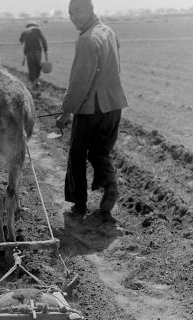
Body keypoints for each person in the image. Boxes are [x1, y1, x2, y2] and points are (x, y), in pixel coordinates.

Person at [56, 0, 128, 221]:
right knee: (99, 151)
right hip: (114, 105)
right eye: (69, 13)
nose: (72, 17)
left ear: (89, 10)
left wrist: (66, 111)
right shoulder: (108, 32)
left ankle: (79, 204)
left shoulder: (87, 40)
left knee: (77, 154)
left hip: (91, 108)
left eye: (76, 11)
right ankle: (111, 186)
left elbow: (80, 81)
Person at [19, 22, 48, 89]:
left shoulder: (25, 31)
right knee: (37, 65)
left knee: (31, 67)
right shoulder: (37, 30)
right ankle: (36, 81)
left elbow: (21, 41)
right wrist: (45, 50)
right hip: (37, 51)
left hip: (29, 52)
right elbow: (43, 40)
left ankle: (32, 83)